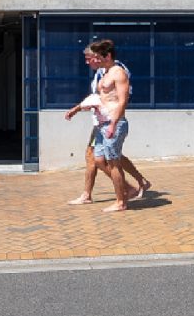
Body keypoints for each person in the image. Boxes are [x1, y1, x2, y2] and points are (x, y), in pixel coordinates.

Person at [62, 38, 147, 209]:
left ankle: (121, 200)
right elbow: (97, 98)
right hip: (101, 124)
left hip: (112, 123)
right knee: (99, 160)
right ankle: (132, 186)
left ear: (107, 56)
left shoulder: (119, 73)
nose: (94, 61)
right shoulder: (104, 73)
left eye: (97, 57)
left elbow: (123, 101)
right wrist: (77, 109)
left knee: (114, 162)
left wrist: (114, 124)